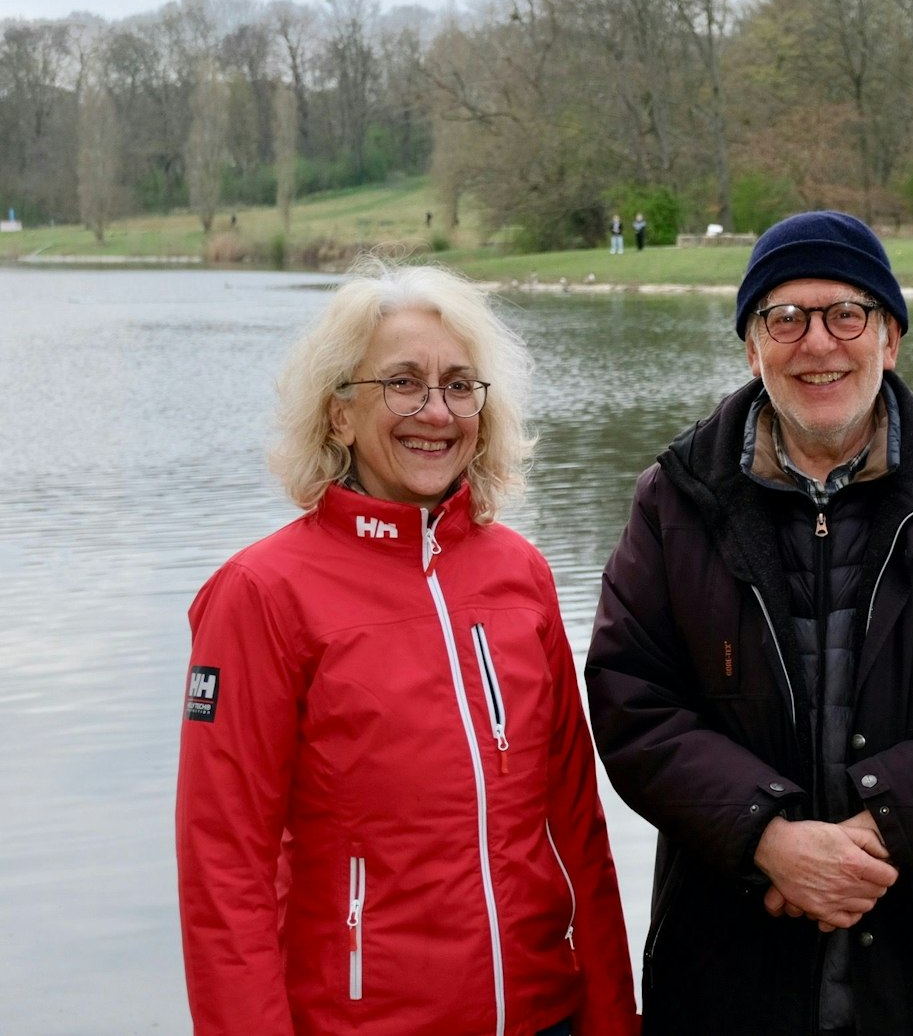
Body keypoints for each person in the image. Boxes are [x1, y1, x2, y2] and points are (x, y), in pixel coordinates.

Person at [586, 209, 913, 1035]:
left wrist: (881, 828)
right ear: (752, 348)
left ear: (890, 338)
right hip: (730, 979)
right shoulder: (675, 501)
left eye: (846, 314)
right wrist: (767, 838)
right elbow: (632, 702)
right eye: (785, 318)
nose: (817, 343)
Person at [176, 260, 636, 1036]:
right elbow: (223, 870)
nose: (437, 412)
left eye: (459, 385)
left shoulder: (520, 574)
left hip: (543, 1015)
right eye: (402, 383)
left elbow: (576, 828)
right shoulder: (261, 594)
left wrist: (612, 1017)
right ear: (339, 415)